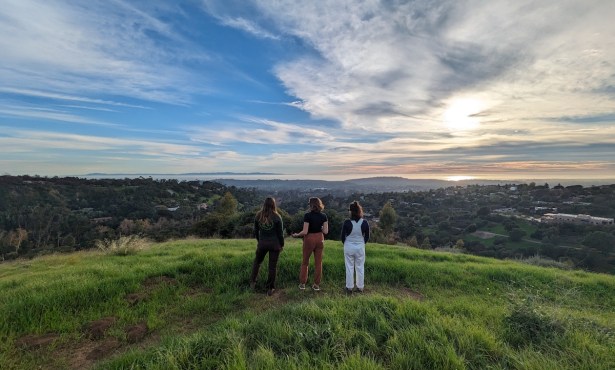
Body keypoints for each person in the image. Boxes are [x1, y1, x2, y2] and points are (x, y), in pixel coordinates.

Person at [250, 197, 285, 296]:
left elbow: (256, 231)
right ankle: (270, 288)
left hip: (262, 243)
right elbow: (280, 234)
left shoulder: (258, 215)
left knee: (257, 262)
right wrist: (282, 244)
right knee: (272, 267)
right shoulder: (277, 217)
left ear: (264, 204)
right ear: (274, 205)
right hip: (275, 244)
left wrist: (259, 241)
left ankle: (252, 283)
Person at [292, 197, 328, 291]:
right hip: (320, 238)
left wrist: (296, 235)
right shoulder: (324, 216)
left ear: (311, 205)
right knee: (318, 263)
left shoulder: (307, 216)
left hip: (309, 239)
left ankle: (302, 284)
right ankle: (316, 285)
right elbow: (326, 231)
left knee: (305, 262)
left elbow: (305, 231)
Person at [341, 201, 370, 294]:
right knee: (360, 267)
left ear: (351, 211)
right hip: (360, 247)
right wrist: (361, 243)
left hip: (348, 247)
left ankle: (349, 288)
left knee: (349, 267)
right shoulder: (365, 222)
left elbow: (342, 237)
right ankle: (360, 287)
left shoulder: (347, 222)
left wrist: (346, 244)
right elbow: (367, 237)